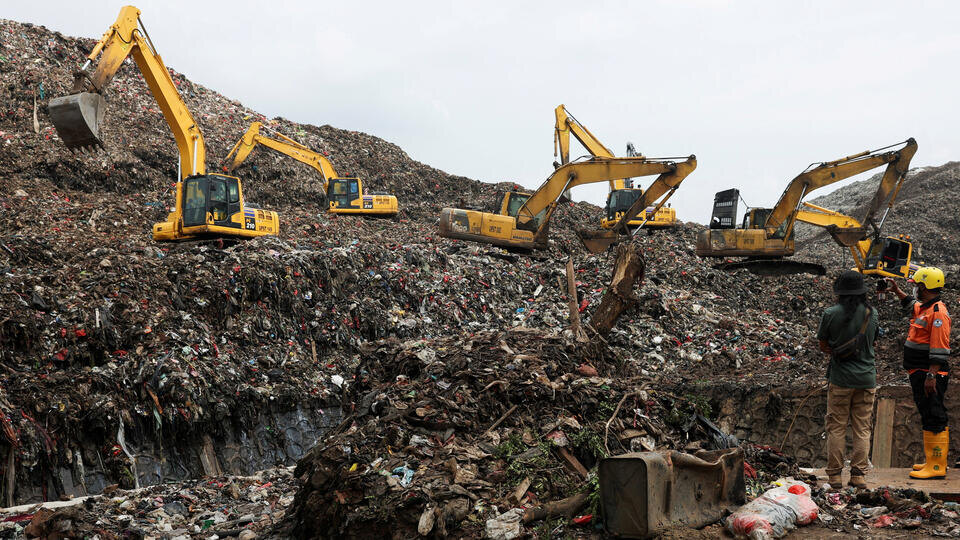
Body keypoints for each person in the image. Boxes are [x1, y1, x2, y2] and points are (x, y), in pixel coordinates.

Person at [885, 267, 951, 479]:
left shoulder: (938, 313)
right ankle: (932, 461)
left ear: (924, 286)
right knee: (927, 413)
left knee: (934, 414)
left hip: (929, 374)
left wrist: (932, 375)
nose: (914, 290)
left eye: (915, 286)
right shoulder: (926, 308)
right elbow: (912, 306)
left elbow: (940, 348)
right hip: (920, 372)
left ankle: (937, 466)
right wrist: (897, 292)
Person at [818, 270, 879, 489]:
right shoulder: (872, 314)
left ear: (840, 292)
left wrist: (838, 351)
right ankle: (859, 476)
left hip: (841, 379)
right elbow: (872, 342)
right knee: (862, 429)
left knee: (836, 427)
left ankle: (834, 476)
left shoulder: (830, 313)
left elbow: (823, 345)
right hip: (866, 379)